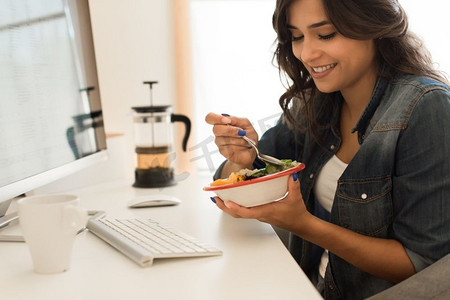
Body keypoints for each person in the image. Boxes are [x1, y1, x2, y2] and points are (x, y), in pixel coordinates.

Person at [205, 0, 450, 299]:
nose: (307, 54)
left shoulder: (426, 107)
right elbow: (230, 188)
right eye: (297, 37)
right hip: (305, 286)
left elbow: (422, 263)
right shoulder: (316, 103)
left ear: (372, 27)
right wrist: (240, 161)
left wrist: (305, 225)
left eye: (326, 34)